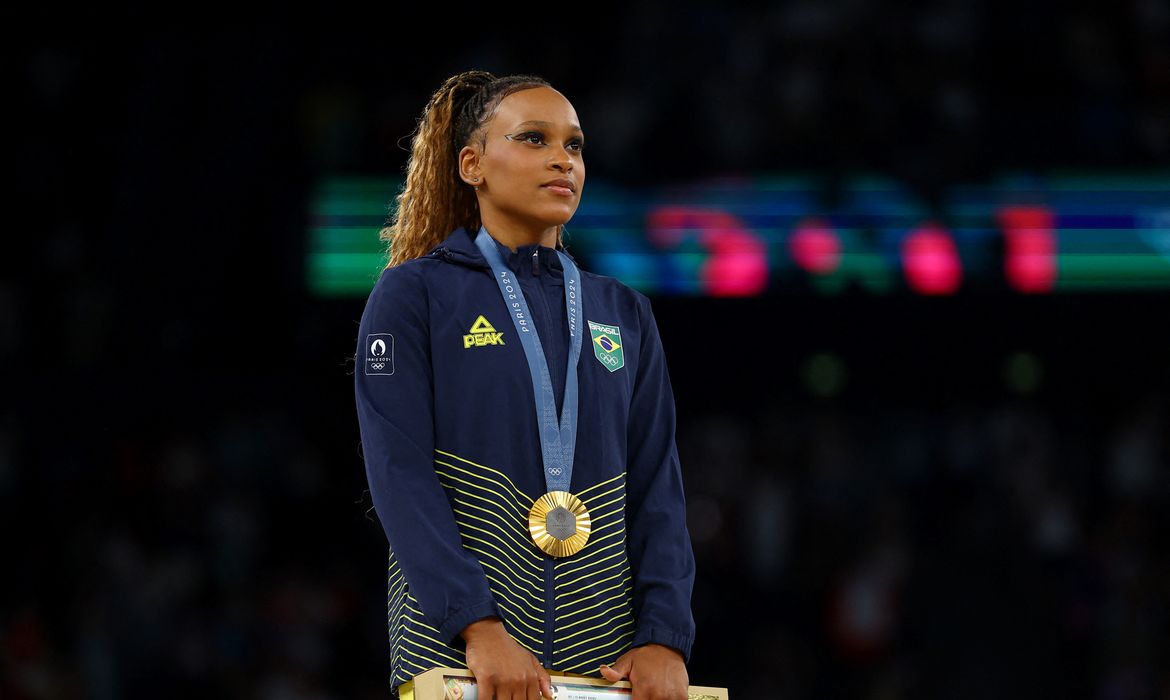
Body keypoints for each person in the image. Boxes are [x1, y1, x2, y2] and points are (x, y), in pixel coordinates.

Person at [354, 70, 695, 700]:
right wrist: (476, 626)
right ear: (472, 164)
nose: (563, 160)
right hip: (459, 650)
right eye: (534, 139)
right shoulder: (414, 297)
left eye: (574, 145)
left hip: (608, 656)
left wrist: (664, 637)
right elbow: (399, 475)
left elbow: (658, 491)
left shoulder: (623, 313)